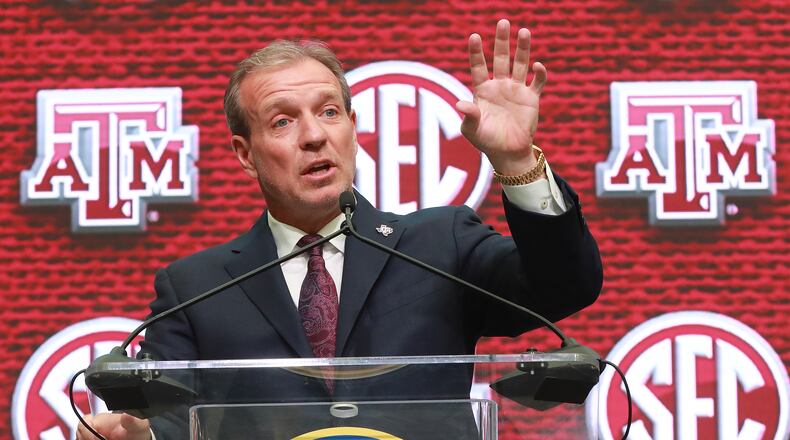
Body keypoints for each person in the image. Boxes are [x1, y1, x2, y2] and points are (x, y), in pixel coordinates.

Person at [78, 18, 602, 439]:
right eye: (282, 121)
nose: (313, 136)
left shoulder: (439, 244)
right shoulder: (196, 288)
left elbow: (565, 286)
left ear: (352, 129)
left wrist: (516, 162)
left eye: (329, 112)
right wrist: (136, 435)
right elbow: (165, 418)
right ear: (245, 153)